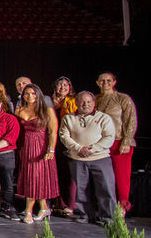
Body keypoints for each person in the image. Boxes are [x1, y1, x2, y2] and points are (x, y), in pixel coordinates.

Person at [59, 91, 117, 224]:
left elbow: (109, 137)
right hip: (78, 159)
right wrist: (79, 149)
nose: (85, 104)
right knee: (81, 189)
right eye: (82, 102)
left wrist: (91, 149)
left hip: (100, 158)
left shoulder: (103, 118)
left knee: (105, 188)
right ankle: (85, 214)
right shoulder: (68, 118)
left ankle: (108, 217)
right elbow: (64, 136)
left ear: (94, 103)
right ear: (77, 103)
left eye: (88, 102)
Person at [15, 83, 59, 224]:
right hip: (24, 147)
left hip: (40, 147)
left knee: (35, 178)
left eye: (33, 93)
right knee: (32, 178)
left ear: (38, 95)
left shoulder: (47, 110)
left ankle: (28, 211)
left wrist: (51, 149)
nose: (30, 96)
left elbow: (53, 132)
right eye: (27, 93)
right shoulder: (19, 110)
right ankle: (44, 208)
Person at [95, 72, 137, 213]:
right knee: (104, 177)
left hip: (119, 142)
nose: (105, 83)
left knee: (121, 177)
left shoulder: (122, 99)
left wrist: (126, 140)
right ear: (97, 82)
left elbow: (130, 120)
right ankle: (106, 207)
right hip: (101, 143)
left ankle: (121, 208)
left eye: (108, 80)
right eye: (102, 81)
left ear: (114, 82)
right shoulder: (95, 99)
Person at [50, 76, 77, 216]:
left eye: (65, 85)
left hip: (68, 139)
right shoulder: (49, 101)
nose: (62, 88)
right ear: (55, 87)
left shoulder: (73, 101)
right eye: (60, 85)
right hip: (53, 140)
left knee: (70, 173)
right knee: (56, 172)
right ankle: (57, 203)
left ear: (70, 87)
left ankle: (70, 204)